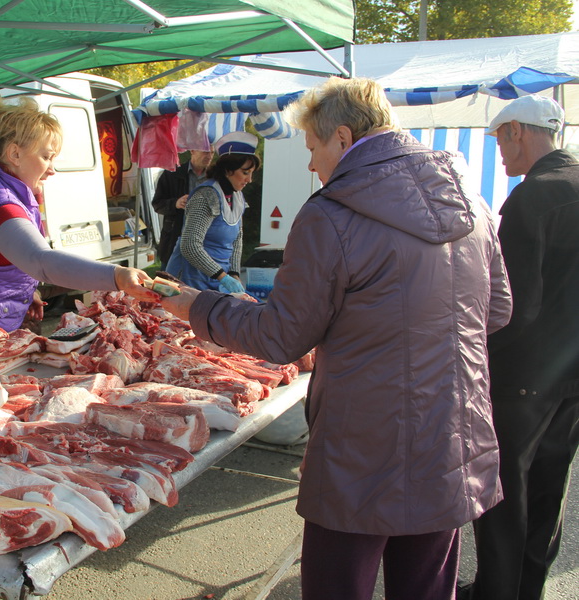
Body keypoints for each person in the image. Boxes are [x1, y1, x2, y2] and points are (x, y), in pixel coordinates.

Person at [161, 77, 512, 600]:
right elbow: (498, 310)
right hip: (450, 436)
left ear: (343, 139)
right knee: (427, 587)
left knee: (338, 583)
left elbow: (281, 336)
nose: (310, 165)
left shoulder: (332, 214)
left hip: (363, 445)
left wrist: (200, 306)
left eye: (312, 148)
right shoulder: (474, 204)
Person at [0, 99, 158, 347]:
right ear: (15, 154)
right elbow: (41, 261)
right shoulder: (0, 204)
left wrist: (24, 290)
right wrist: (117, 276)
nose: (52, 169)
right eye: (46, 157)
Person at [460, 95, 579, 600]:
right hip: (572, 375)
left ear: (518, 132)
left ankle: (496, 591)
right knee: (551, 482)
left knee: (503, 487)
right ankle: (529, 587)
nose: (500, 154)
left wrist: (476, 359)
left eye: (500, 140)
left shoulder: (534, 198)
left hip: (525, 376)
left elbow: (513, 304)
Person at [164, 132, 259, 293]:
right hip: (189, 279)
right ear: (228, 170)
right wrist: (222, 276)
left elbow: (237, 239)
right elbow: (190, 246)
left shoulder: (237, 197)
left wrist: (234, 274)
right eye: (245, 172)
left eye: (251, 173)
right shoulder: (206, 196)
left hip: (216, 278)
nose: (249, 180)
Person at [152, 148, 213, 266]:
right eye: (205, 151)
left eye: (212, 152)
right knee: (170, 282)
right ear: (193, 151)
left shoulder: (216, 177)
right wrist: (175, 203)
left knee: (197, 284)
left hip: (205, 244)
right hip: (175, 241)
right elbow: (157, 204)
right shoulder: (172, 173)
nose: (209, 156)